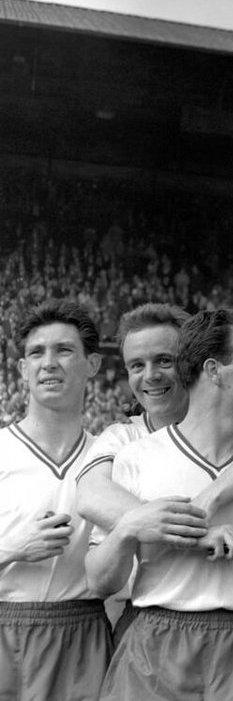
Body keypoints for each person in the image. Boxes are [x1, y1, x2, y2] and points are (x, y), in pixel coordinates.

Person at [88, 310, 233, 700]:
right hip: (157, 643)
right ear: (214, 370)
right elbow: (101, 581)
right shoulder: (136, 456)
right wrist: (129, 527)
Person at [1, 300, 112, 701]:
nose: (49, 363)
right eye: (36, 352)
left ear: (93, 365)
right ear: (22, 370)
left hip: (83, 633)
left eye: (64, 350)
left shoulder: (111, 456)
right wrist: (13, 547)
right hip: (6, 630)